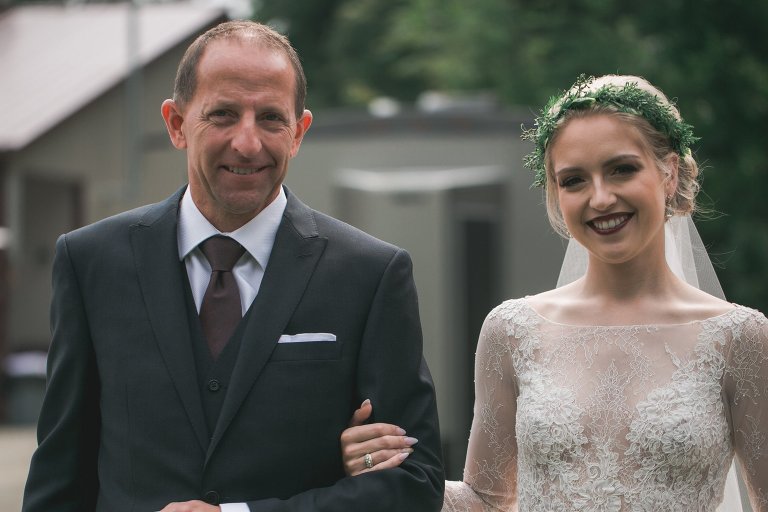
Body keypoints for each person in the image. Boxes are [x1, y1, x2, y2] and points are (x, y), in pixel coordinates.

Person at [22, 20, 444, 512]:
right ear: (176, 124)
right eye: (222, 114)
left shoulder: (371, 274)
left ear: (299, 132)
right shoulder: (90, 261)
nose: (248, 143)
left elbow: (415, 483)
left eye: (270, 118)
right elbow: (59, 476)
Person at [339, 74, 768, 511]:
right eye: (575, 180)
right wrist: (391, 470)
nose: (600, 198)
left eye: (622, 169)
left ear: (669, 171)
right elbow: (488, 501)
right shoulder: (513, 330)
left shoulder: (739, 338)